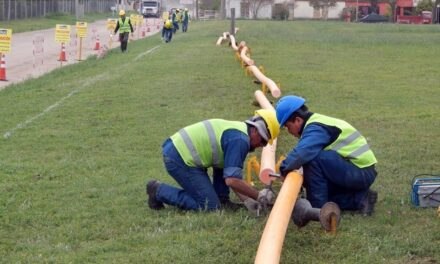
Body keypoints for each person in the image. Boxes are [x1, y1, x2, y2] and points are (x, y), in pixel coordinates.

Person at [146, 109, 280, 214]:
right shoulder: (240, 140)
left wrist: (246, 200)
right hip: (179, 158)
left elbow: (229, 174)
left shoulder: (239, 132)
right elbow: (232, 180)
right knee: (209, 206)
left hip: (182, 152)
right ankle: (158, 190)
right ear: (255, 130)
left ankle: (223, 199)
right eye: (262, 140)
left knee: (223, 171)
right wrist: (258, 196)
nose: (261, 146)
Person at [275, 95, 378, 216]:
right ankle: (360, 199)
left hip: (361, 172)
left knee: (314, 159)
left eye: (288, 126)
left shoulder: (316, 128)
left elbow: (303, 153)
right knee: (326, 193)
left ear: (297, 120)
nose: (289, 131)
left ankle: (317, 210)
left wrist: (284, 168)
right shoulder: (317, 123)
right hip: (357, 168)